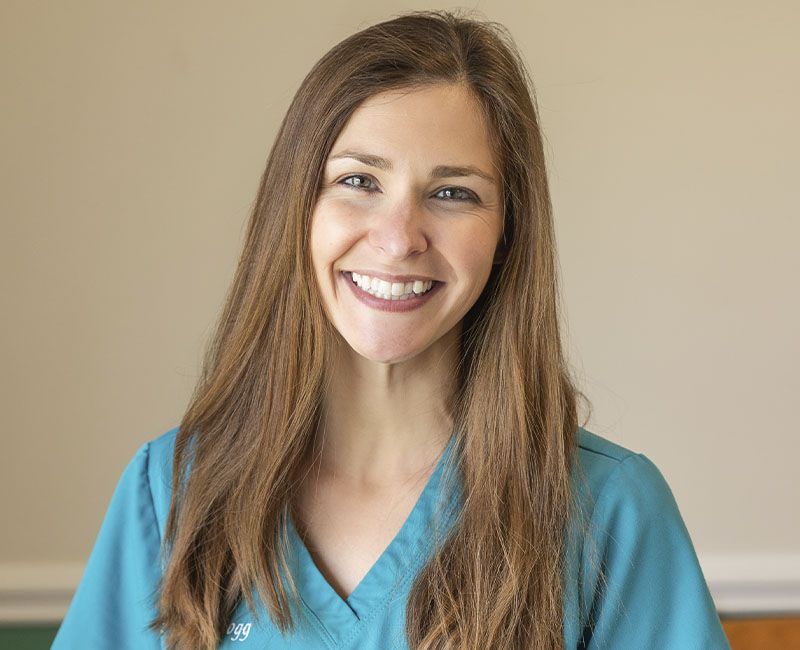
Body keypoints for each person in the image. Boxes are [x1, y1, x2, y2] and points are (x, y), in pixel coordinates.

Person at [52, 10, 730, 650]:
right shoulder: (172, 491)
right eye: (359, 181)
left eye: (453, 193)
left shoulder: (609, 510)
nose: (399, 237)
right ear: (297, 208)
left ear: (507, 233)